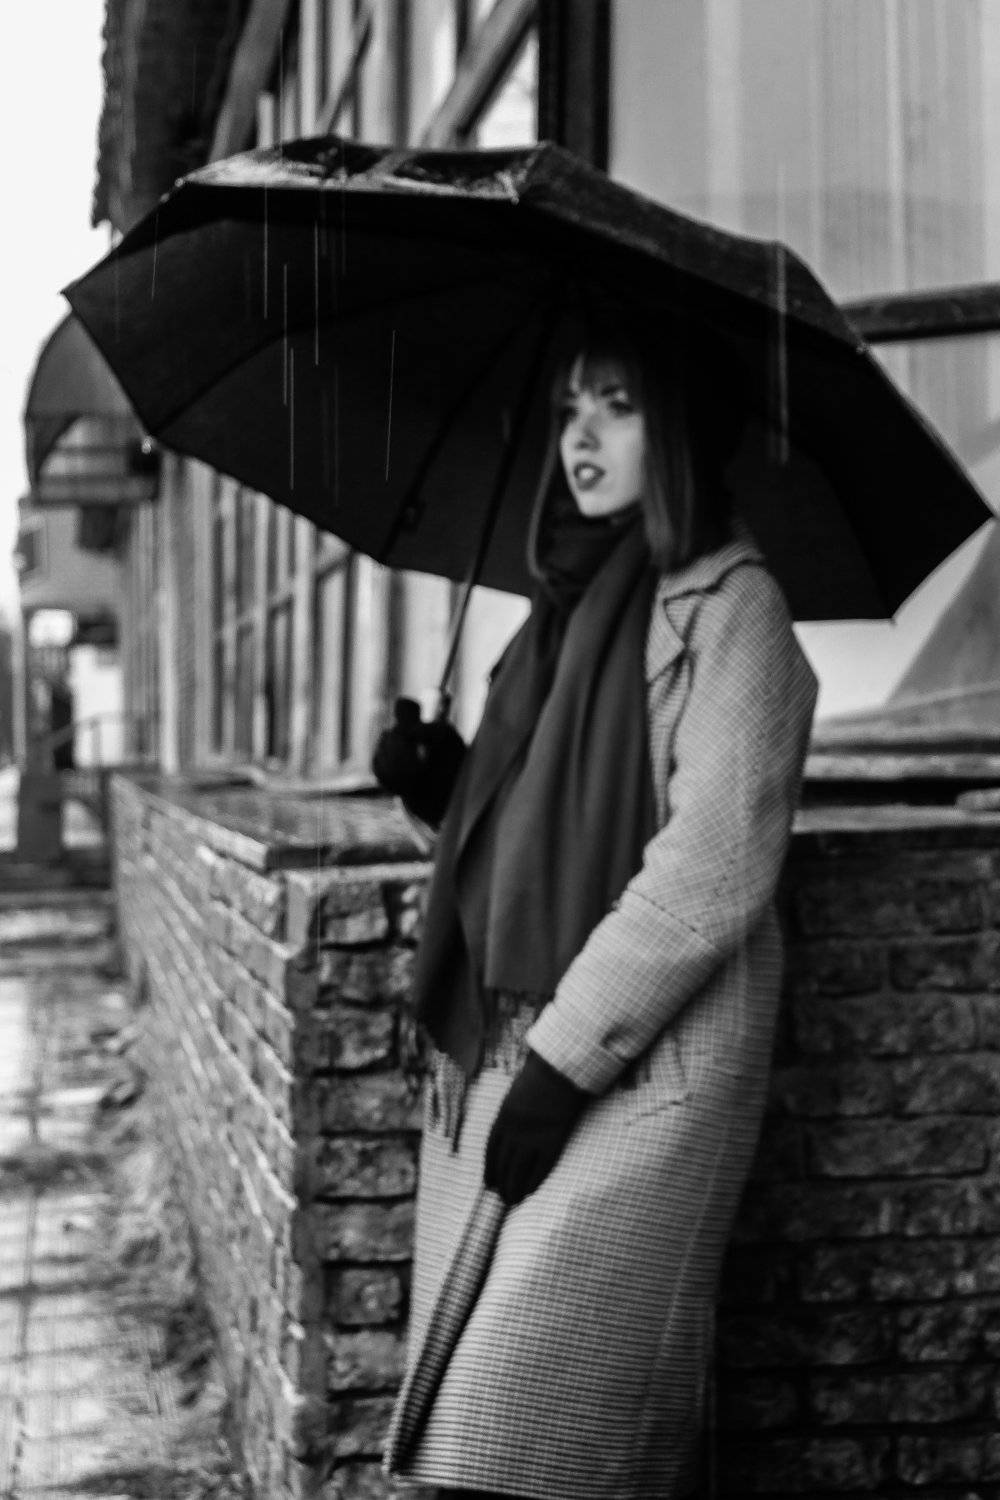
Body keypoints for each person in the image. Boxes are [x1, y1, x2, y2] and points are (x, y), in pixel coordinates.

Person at [374, 315, 818, 1500]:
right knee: (490, 1445)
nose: (582, 437)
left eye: (618, 407)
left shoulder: (732, 611)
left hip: (640, 1072)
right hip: (513, 1051)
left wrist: (563, 1066)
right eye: (570, 409)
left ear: (675, 431)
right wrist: (440, 789)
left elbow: (712, 863)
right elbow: (522, 837)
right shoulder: (552, 617)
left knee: (539, 1435)